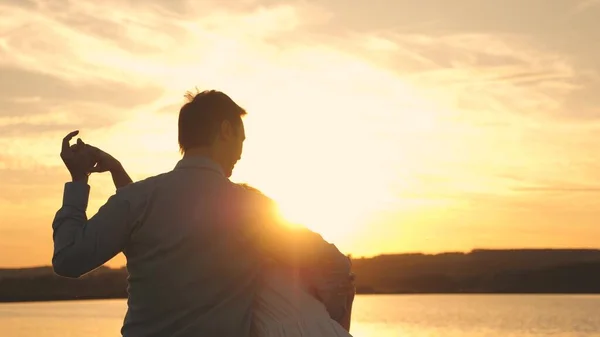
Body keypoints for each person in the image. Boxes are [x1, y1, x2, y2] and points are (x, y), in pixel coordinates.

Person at [53, 90, 354, 337]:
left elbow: (69, 259)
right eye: (241, 140)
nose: (240, 152)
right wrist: (328, 321)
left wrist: (80, 181)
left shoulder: (139, 200)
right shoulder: (250, 209)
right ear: (225, 130)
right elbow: (333, 263)